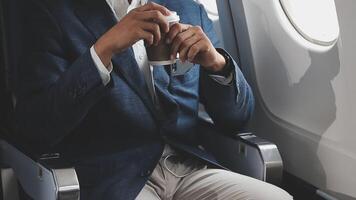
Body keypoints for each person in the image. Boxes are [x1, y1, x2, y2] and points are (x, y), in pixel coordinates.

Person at [15, 0, 292, 199]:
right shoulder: (49, 11)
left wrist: (216, 63)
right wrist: (103, 50)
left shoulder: (186, 9)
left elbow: (236, 119)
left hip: (188, 167)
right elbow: (38, 126)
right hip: (112, 177)